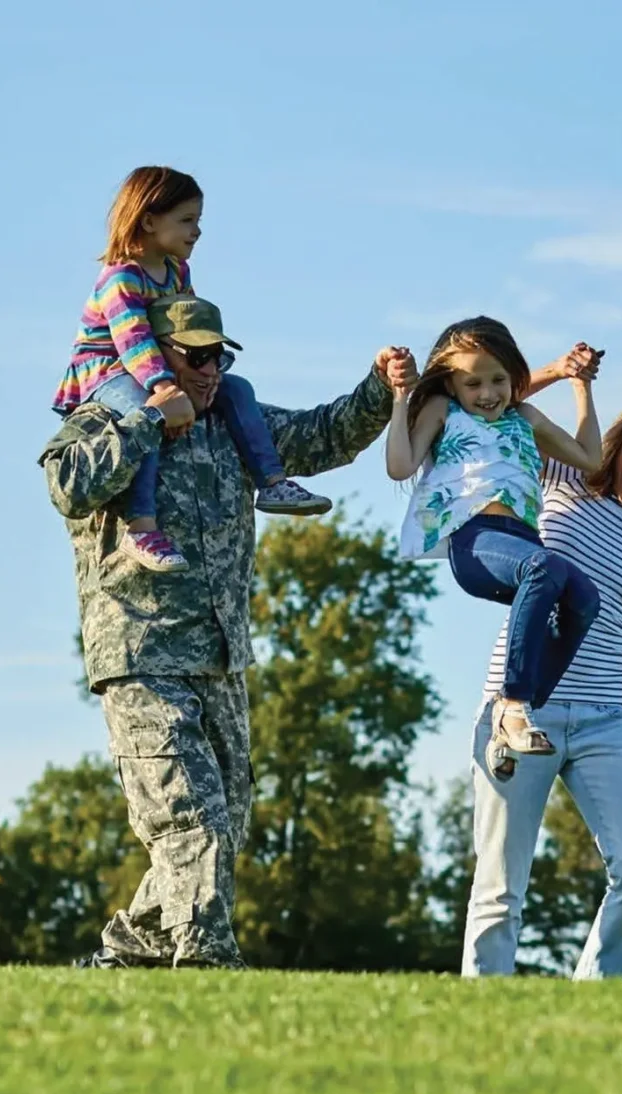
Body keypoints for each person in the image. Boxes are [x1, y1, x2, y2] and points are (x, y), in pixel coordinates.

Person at [39, 293, 416, 968]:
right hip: (140, 651)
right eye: (196, 355)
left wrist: (377, 389)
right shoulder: (109, 413)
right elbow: (65, 482)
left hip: (219, 656)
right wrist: (148, 423)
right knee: (190, 816)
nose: (212, 370)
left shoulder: (234, 426)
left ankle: (132, 949)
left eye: (220, 355)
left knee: (226, 820)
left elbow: (321, 435)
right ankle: (207, 956)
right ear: (155, 354)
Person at [461, 393, 622, 979]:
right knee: (500, 880)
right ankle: (481, 1011)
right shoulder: (564, 475)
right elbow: (502, 404)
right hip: (521, 707)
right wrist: (569, 379)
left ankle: (597, 996)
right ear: (614, 440)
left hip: (606, 721)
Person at [54, 166, 331, 575]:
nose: (197, 231)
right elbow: (134, 341)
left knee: (237, 389)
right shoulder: (121, 277)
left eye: (198, 221)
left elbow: (187, 327)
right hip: (106, 369)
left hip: (152, 368)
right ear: (149, 220)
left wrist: (207, 368)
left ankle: (272, 482)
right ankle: (142, 525)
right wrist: (165, 390)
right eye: (186, 220)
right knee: (142, 412)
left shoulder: (177, 270)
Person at [385, 318, 604, 773]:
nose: (488, 393)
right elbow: (400, 466)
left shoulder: (523, 418)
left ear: (514, 380)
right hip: (475, 541)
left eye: (499, 380)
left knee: (585, 598)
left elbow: (590, 458)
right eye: (474, 383)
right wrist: (401, 398)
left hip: (524, 544)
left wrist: (580, 386)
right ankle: (514, 702)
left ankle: (514, 719)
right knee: (545, 568)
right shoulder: (446, 412)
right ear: (452, 384)